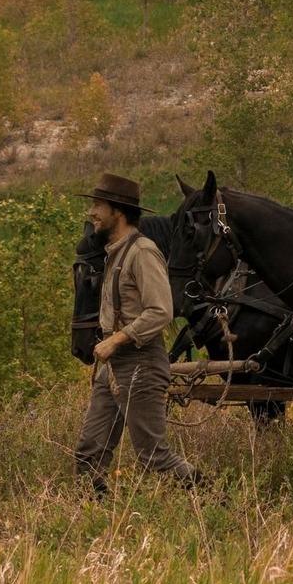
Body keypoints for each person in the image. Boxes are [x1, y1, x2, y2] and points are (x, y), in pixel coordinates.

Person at [73, 171, 199, 491]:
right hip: (114, 366)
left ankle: (215, 502)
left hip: (141, 362)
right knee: (90, 452)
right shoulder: (113, 253)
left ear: (118, 212)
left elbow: (161, 311)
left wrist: (115, 339)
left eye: (99, 206)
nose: (92, 214)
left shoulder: (142, 252)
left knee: (154, 457)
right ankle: (95, 520)